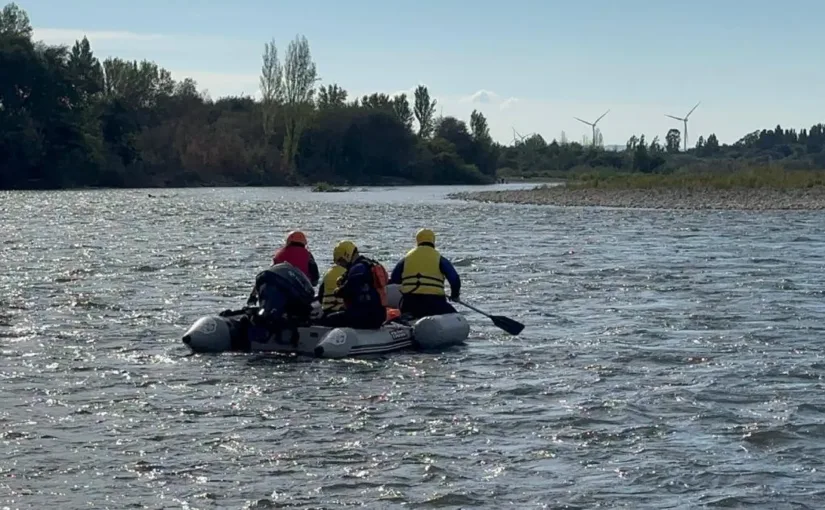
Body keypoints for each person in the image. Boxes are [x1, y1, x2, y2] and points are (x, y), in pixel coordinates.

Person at [316, 240, 389, 329]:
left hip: (362, 316)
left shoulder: (357, 269)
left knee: (328, 319)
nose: (342, 265)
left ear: (346, 256)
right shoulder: (371, 265)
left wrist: (337, 291)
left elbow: (348, 290)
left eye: (341, 261)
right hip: (380, 315)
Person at [390, 228, 461, 318]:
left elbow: (394, 278)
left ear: (417, 241)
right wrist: (455, 295)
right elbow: (454, 279)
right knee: (456, 317)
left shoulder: (407, 258)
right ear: (433, 241)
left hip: (409, 302)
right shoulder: (438, 257)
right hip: (434, 302)